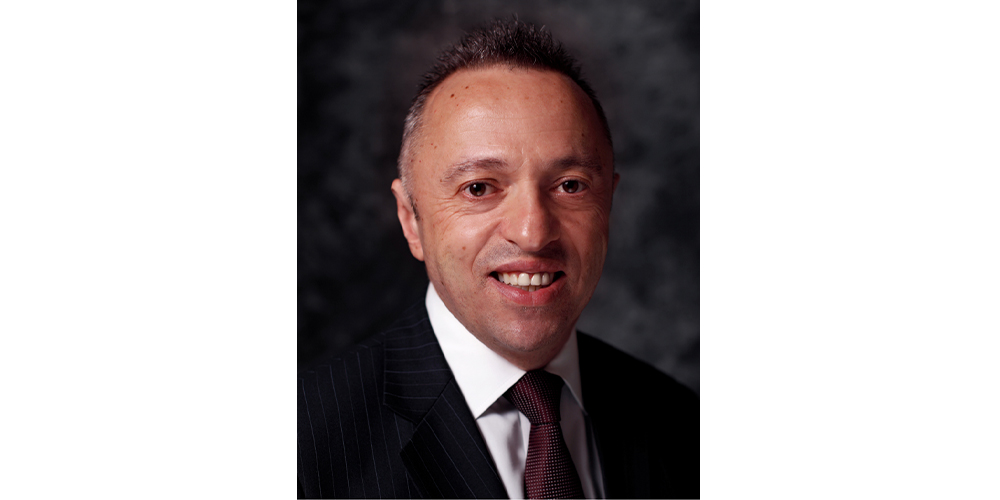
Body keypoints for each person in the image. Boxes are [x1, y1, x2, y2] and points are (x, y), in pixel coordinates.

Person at [298, 19, 698, 499]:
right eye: (479, 188)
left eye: (570, 185)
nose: (532, 233)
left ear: (607, 205)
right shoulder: (302, 445)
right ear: (410, 220)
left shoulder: (685, 426)